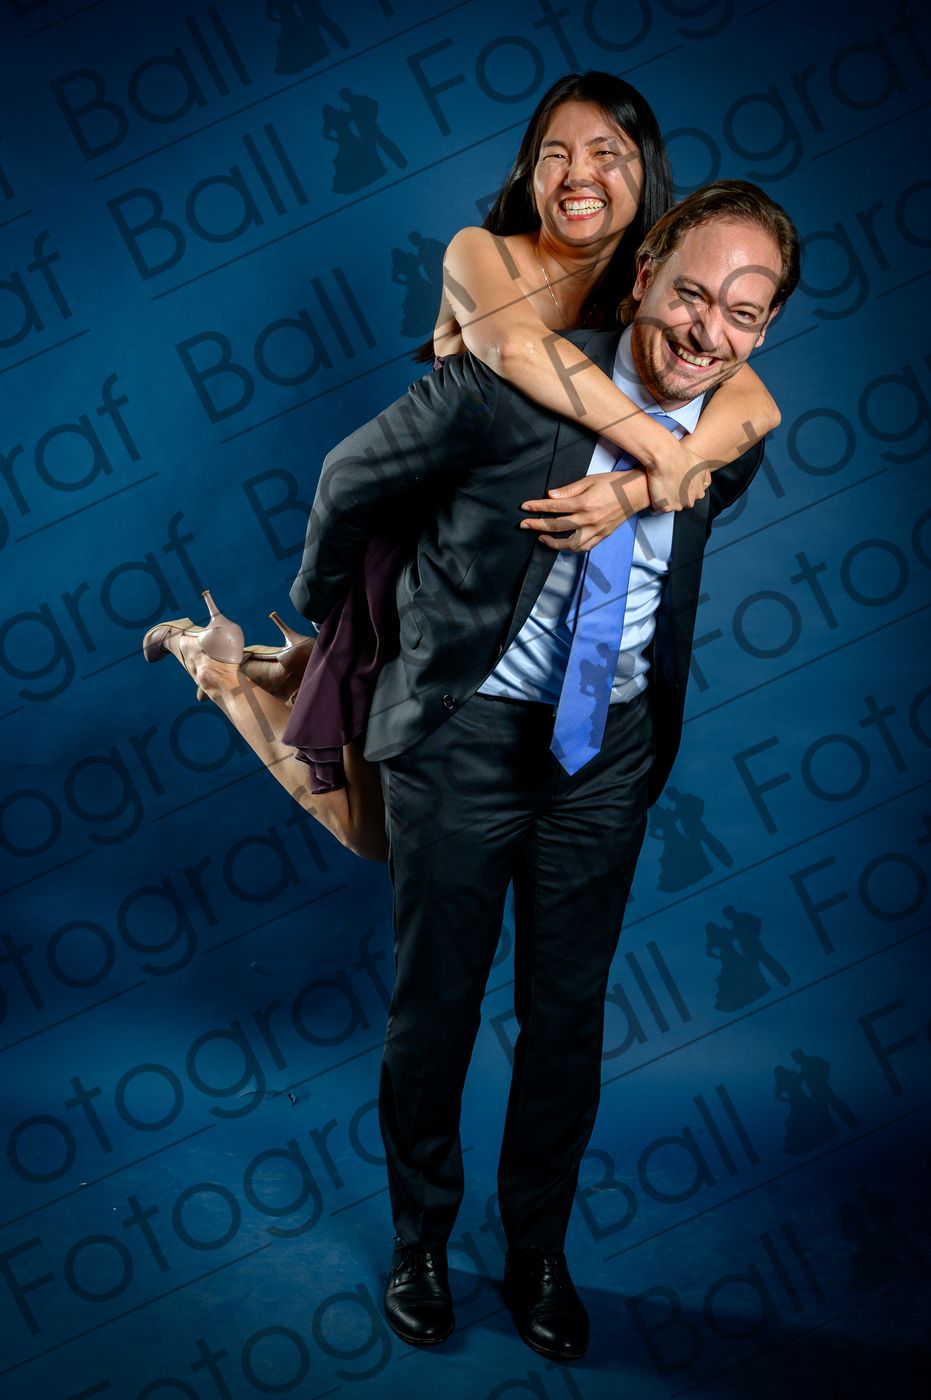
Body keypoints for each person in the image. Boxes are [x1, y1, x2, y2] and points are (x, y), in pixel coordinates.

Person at [286, 179, 801, 1358]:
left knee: (565, 1018)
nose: (707, 330)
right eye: (690, 294)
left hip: (605, 756)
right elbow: (347, 483)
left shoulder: (724, 438)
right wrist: (346, 627)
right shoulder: (507, 382)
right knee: (436, 1006)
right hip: (467, 739)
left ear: (763, 328)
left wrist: (639, 482)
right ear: (641, 278)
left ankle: (537, 1252)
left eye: (743, 312)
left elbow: (722, 440)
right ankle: (421, 1240)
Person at [143, 73, 778, 865]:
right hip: (426, 560)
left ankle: (275, 666)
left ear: (646, 171)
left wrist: (638, 490)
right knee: (373, 833)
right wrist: (664, 457)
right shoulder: (483, 253)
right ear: (529, 172)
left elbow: (753, 402)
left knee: (384, 825)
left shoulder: (654, 288)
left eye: (606, 154)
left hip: (514, 579)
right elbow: (512, 348)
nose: (577, 175)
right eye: (554, 154)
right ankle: (223, 669)